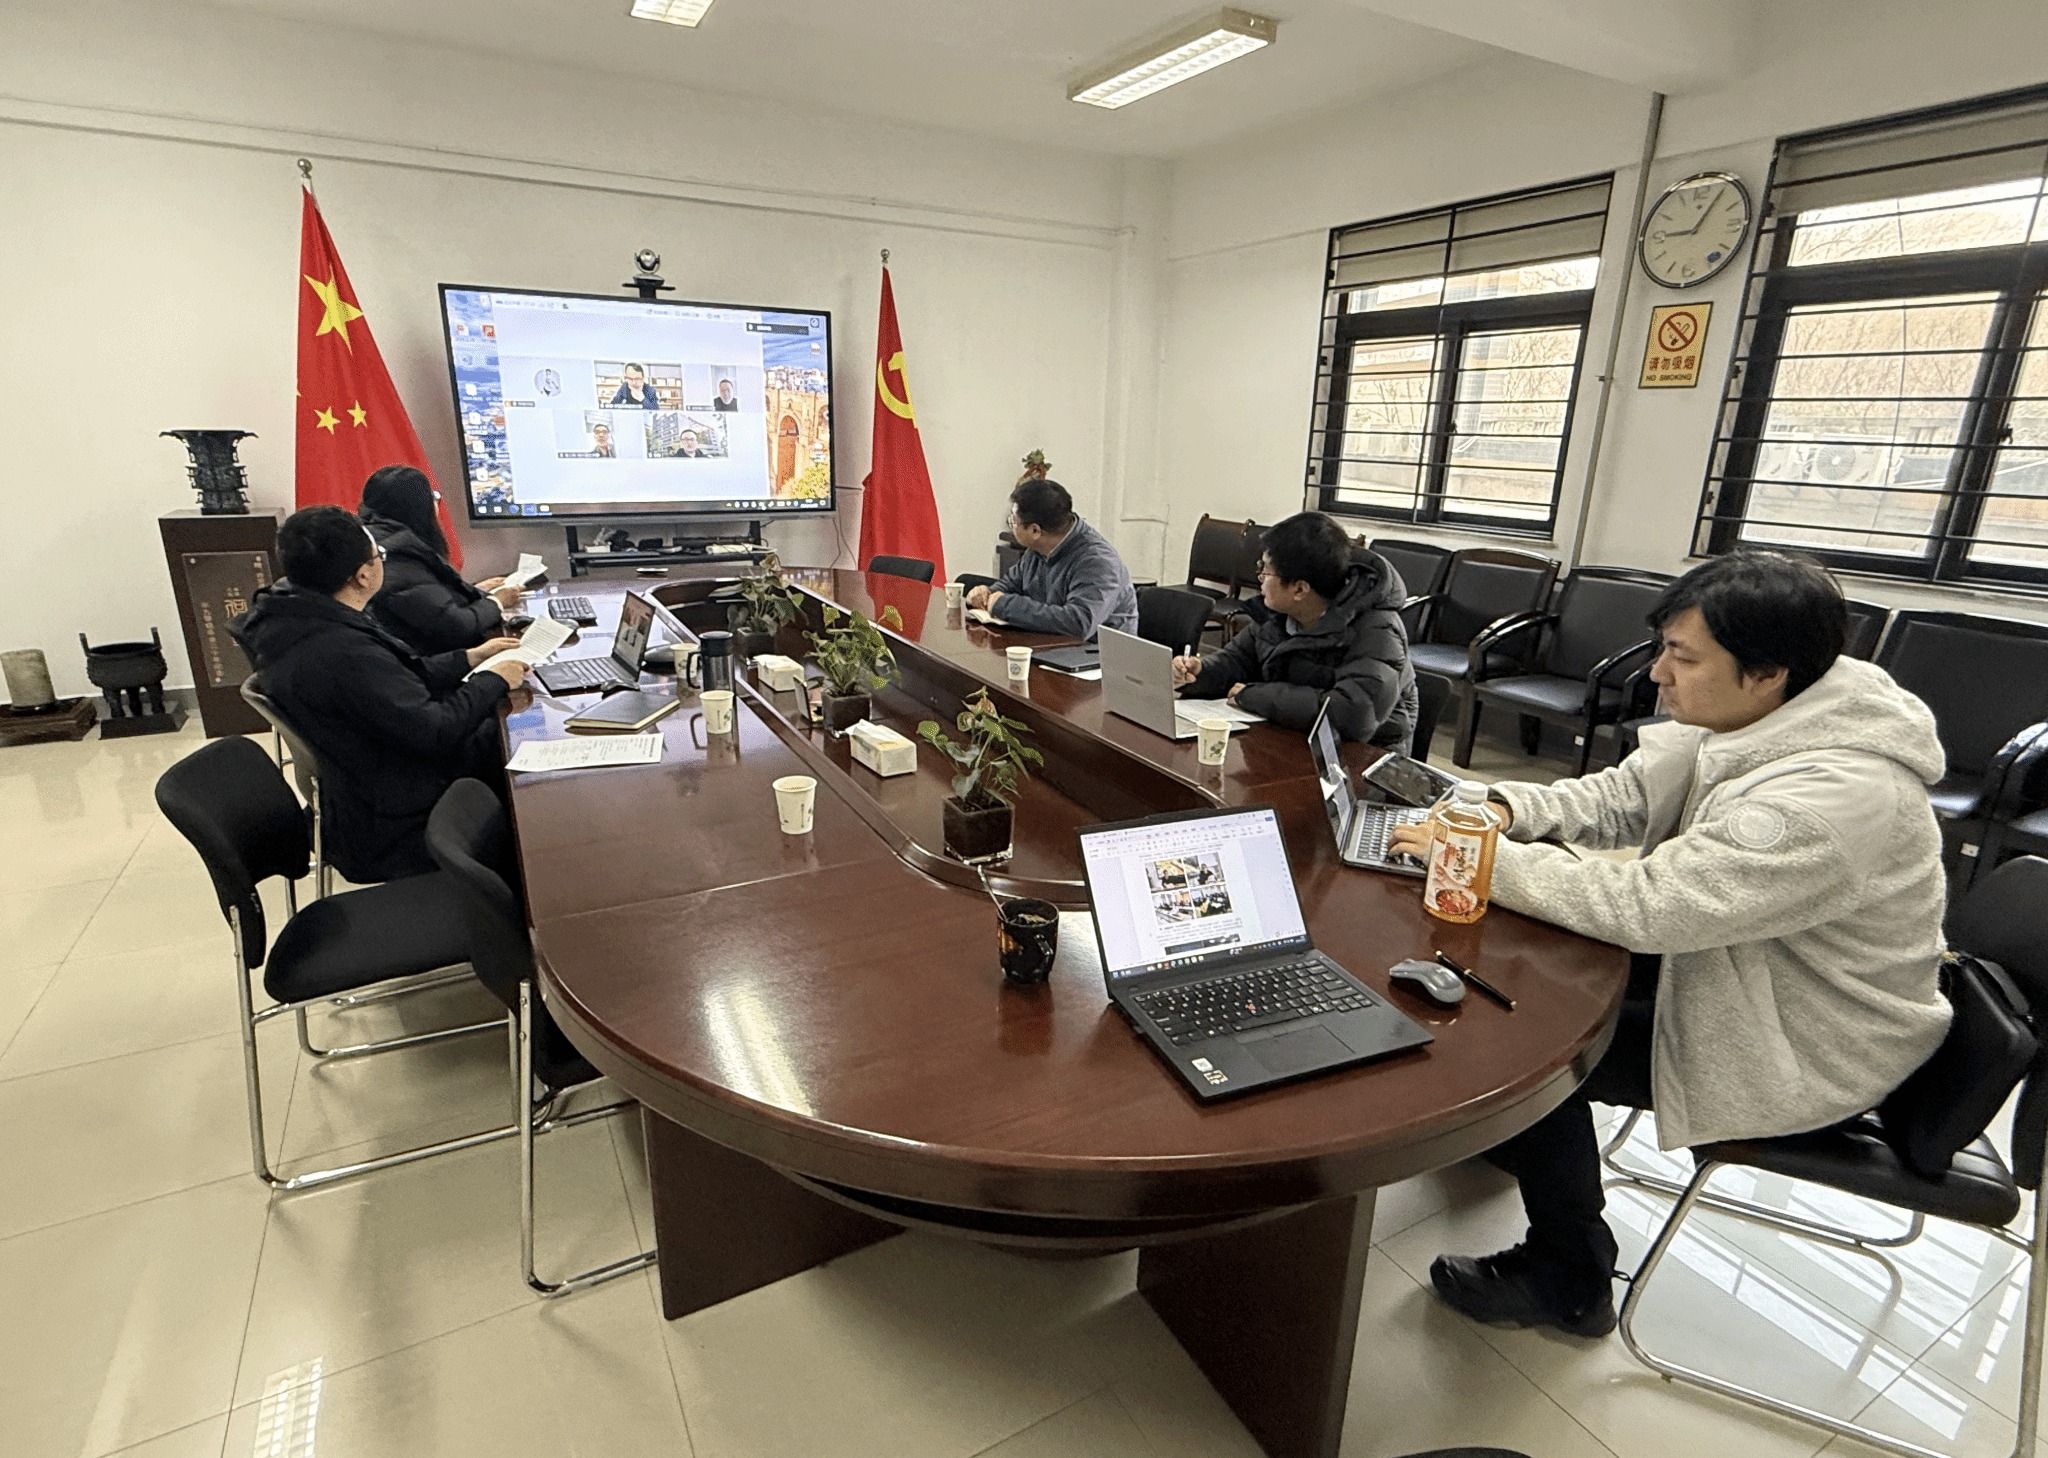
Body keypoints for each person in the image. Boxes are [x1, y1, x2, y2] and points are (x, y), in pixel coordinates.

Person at [1391, 550, 1951, 1339]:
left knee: (1525, 1048)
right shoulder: (1773, 709)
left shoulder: (1829, 801)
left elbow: (1650, 907)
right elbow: (1622, 797)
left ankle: (1569, 1279)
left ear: (1766, 673)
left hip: (1805, 1038)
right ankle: (1522, 1144)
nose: (1657, 674)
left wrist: (1480, 859)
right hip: (1745, 968)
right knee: (1529, 970)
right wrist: (1500, 811)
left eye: (1682, 657)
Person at [233, 506, 528, 884]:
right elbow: (436, 730)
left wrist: (470, 658)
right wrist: (493, 680)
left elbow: (398, 678)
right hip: (395, 821)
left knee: (497, 722)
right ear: (363, 575)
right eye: (380, 555)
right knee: (513, 739)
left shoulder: (295, 614)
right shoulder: (341, 651)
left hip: (366, 783)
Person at [1171, 511, 1416, 747]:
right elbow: (1238, 660)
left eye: (1266, 570)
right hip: (1291, 732)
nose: (1259, 578)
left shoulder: (1378, 629)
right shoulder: (1276, 614)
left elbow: (1353, 714)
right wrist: (1200, 671)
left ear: (1299, 589)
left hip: (1366, 755)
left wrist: (1255, 696)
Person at [358, 465, 521, 656]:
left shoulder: (381, 541)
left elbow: (429, 601)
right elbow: (456, 627)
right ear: (419, 507)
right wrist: (497, 601)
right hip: (437, 664)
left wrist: (473, 591)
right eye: (433, 497)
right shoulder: (397, 558)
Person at [963, 478, 1137, 638]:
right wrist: (987, 594)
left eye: (1013, 521)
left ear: (1035, 531)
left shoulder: (1098, 561)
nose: (1011, 526)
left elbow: (1079, 622)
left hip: (1094, 655)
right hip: (1050, 645)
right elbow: (1012, 584)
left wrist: (1004, 605)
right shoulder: (1038, 548)